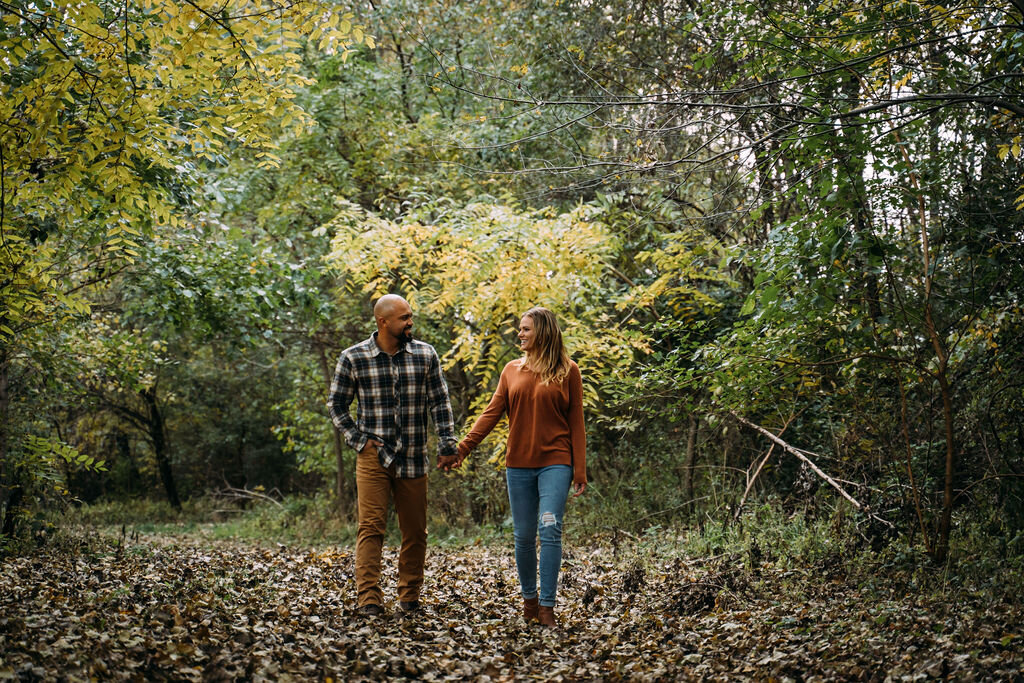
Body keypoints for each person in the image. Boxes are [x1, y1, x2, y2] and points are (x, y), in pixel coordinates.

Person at [327, 294, 460, 617]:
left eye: (410, 316)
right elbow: (337, 405)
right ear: (383, 321)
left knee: (415, 530)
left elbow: (439, 403)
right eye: (403, 318)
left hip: (414, 455)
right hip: (374, 457)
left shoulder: (425, 354)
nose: (410, 322)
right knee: (371, 527)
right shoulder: (353, 358)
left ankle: (409, 597)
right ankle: (369, 598)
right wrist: (359, 441)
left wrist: (447, 444)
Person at [454, 306, 586, 628]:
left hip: (556, 463)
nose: (520, 334)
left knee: (550, 530)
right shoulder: (511, 370)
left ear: (542, 332)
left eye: (526, 329)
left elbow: (577, 424)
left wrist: (579, 469)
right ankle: (529, 601)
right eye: (520, 329)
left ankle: (547, 607)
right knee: (524, 537)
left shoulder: (569, 371)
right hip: (518, 466)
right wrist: (463, 448)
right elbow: (491, 413)